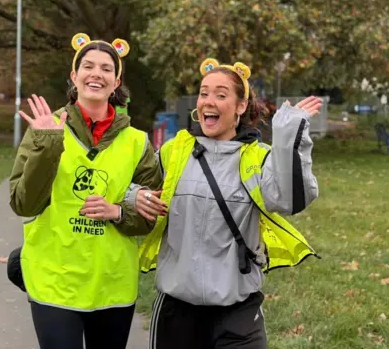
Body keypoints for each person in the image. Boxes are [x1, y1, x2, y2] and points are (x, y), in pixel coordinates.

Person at [126, 58, 321, 349]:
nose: (208, 101)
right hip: (177, 311)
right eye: (204, 93)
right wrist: (133, 197)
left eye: (220, 94)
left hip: (238, 313)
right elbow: (133, 184)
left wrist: (289, 138)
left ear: (241, 107)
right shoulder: (174, 152)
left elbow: (291, 199)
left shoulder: (259, 159)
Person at [9, 33, 162, 349]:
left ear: (116, 81)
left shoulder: (136, 142)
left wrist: (118, 211)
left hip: (112, 284)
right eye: (88, 66)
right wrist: (48, 145)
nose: (97, 74)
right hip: (55, 280)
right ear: (74, 76)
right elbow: (24, 203)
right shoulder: (45, 127)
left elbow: (153, 214)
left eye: (106, 68)